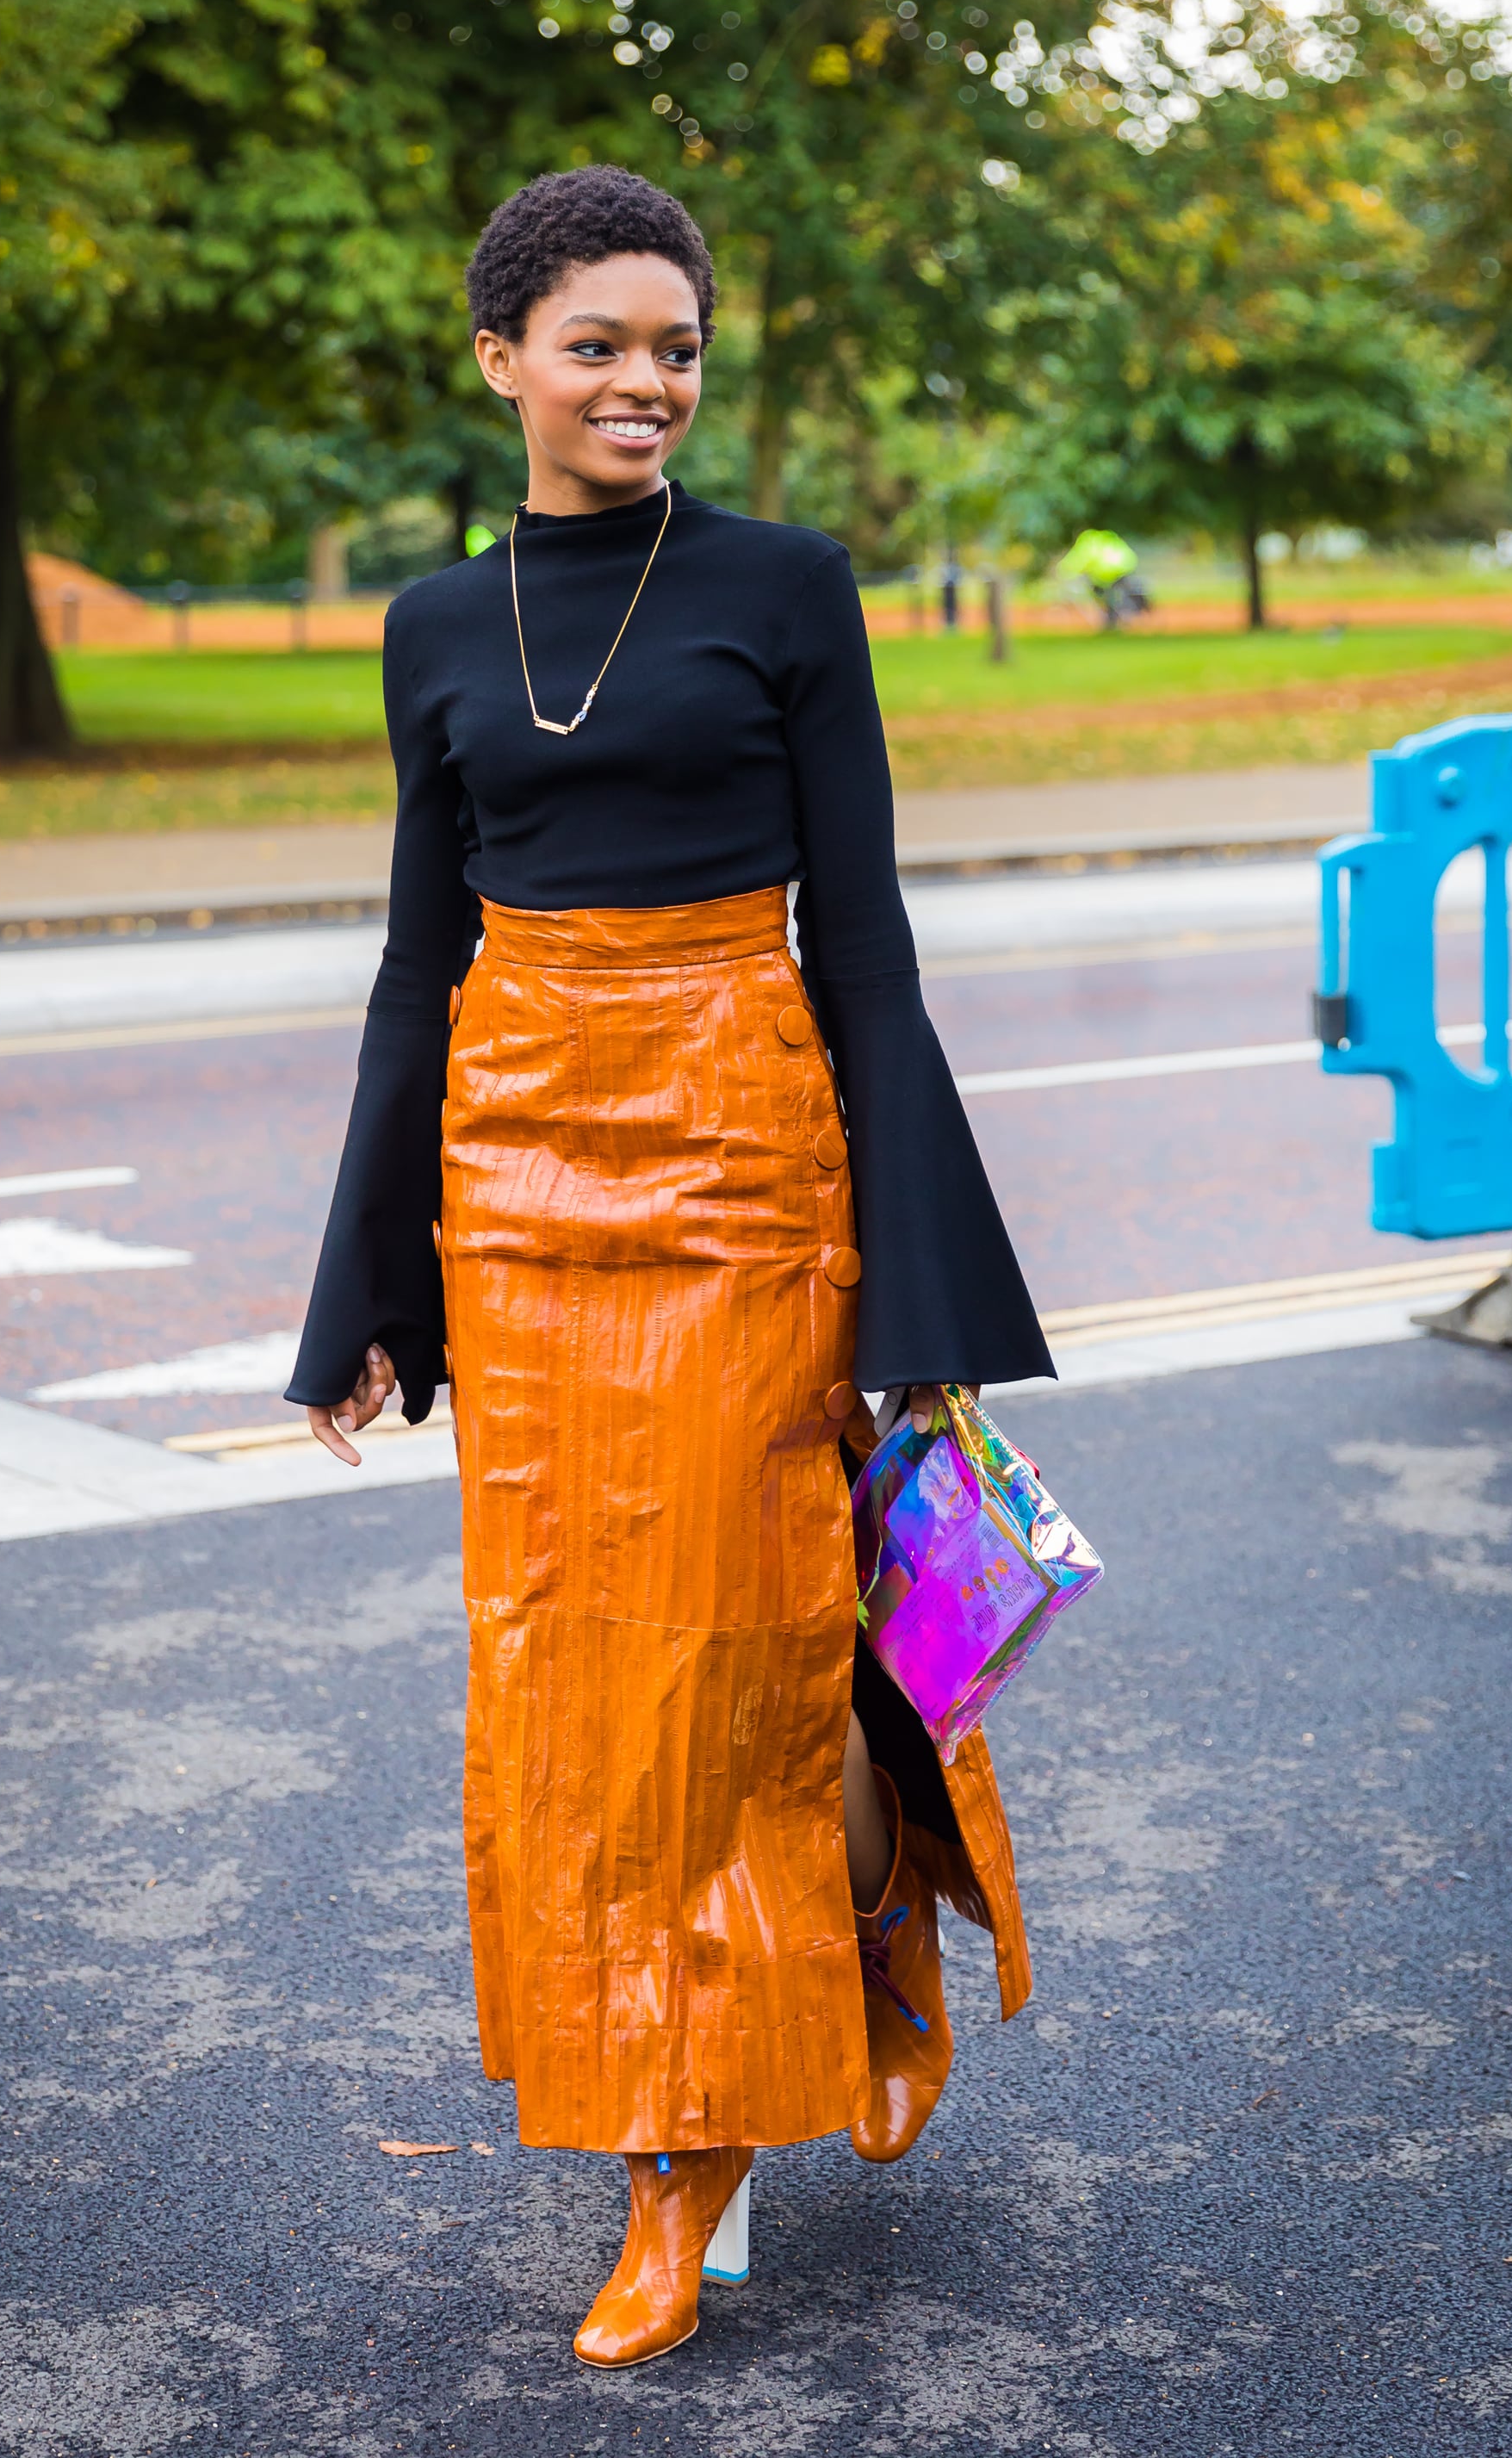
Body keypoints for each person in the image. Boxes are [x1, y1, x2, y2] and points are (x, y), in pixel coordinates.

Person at [287, 165, 1053, 2368]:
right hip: (516, 1171)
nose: (647, 382)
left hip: (740, 1146)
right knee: (564, 1669)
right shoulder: (437, 626)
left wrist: (917, 1291)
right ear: (501, 358)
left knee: (736, 1643)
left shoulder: (787, 589)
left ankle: (748, 2071)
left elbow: (874, 955)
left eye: (679, 346)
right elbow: (417, 961)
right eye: (602, 343)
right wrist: (364, 1288)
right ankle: (729, 2046)